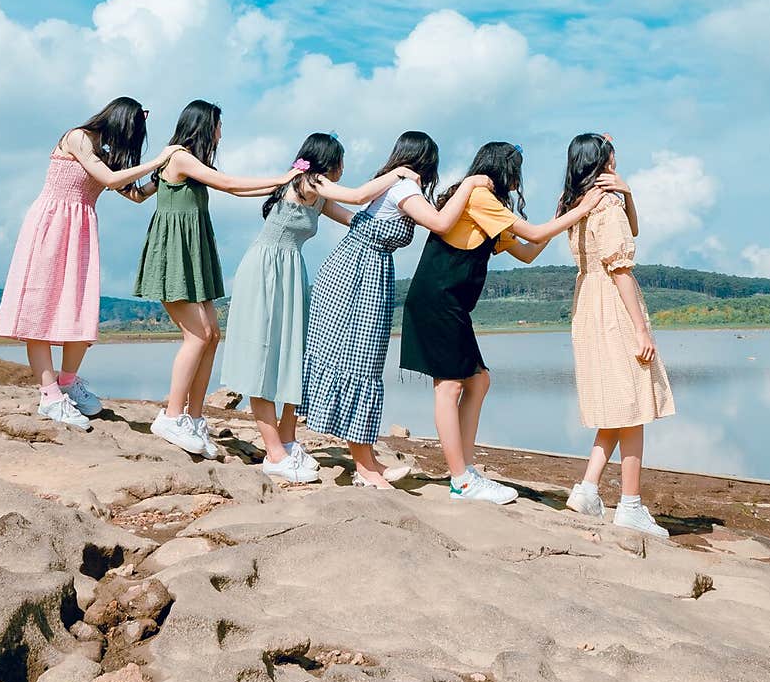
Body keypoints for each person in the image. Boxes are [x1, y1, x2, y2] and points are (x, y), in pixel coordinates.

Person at [401, 141, 605, 505]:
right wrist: (583, 207)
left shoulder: (488, 207)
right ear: (503, 168)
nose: (520, 177)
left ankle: (463, 469)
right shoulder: (479, 197)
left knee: (478, 381)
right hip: (437, 298)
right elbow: (536, 234)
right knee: (449, 387)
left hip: (449, 302)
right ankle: (461, 479)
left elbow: (527, 252)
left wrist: (561, 213)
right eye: (517, 169)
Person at [220, 131, 423, 485]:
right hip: (266, 270)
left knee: (291, 360)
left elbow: (357, 220)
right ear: (327, 162)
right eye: (340, 161)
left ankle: (288, 440)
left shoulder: (317, 195)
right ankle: (275, 454)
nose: (343, 167)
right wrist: (400, 174)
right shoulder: (311, 183)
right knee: (264, 363)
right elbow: (359, 196)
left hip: (291, 272)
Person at [301, 130, 492, 489]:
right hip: (358, 276)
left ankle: (367, 458)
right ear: (426, 162)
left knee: (362, 364)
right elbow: (440, 223)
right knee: (357, 363)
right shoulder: (404, 189)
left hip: (362, 271)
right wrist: (468, 185)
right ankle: (364, 467)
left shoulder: (393, 184)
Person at [0, 98, 173, 430]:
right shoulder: (77, 138)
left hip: (81, 230)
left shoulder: (103, 153)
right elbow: (111, 179)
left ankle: (66, 384)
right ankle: (49, 396)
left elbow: (135, 194)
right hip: (52, 224)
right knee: (41, 309)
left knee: (80, 309)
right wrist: (157, 159)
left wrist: (162, 175)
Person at [134, 99, 293, 457]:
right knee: (198, 334)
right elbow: (230, 185)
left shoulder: (181, 161)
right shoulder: (180, 157)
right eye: (219, 125)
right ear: (205, 126)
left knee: (212, 334)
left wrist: (279, 187)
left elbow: (140, 193)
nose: (221, 133)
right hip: (175, 255)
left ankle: (193, 416)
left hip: (193, 254)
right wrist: (282, 178)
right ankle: (172, 416)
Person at [560, 133, 675, 539]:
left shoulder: (577, 201)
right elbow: (621, 268)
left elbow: (634, 230)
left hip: (587, 303)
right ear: (604, 161)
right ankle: (630, 504)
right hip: (612, 304)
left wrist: (628, 192)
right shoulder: (605, 204)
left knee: (616, 401)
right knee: (633, 406)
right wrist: (642, 329)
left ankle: (588, 489)